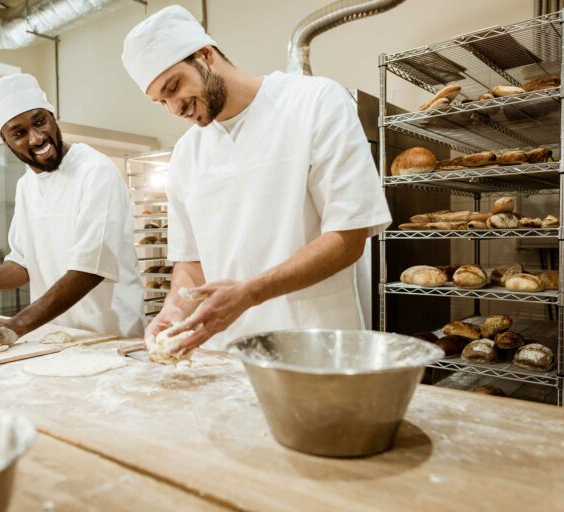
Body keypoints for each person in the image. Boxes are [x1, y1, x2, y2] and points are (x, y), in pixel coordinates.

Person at [121, 6, 391, 352]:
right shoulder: (186, 154)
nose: (175, 108)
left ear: (205, 55)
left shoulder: (315, 102)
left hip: (315, 345)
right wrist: (175, 308)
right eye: (162, 101)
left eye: (174, 87)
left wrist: (250, 293)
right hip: (225, 353)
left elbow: (348, 237)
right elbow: (191, 261)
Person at [0, 74, 143, 356]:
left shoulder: (95, 170)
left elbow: (90, 268)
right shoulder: (26, 185)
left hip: (108, 335)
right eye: (19, 133)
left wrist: (17, 324)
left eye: (39, 122)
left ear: (52, 116)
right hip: (53, 336)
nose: (36, 138)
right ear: (5, 141)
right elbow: (22, 263)